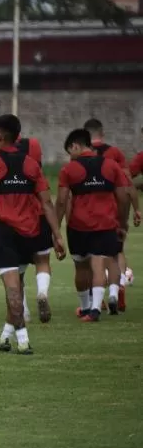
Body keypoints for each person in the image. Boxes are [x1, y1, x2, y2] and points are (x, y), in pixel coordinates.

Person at [0, 114, 65, 354]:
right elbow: (46, 203)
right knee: (17, 285)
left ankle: (23, 341)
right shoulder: (31, 164)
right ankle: (5, 337)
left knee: (12, 289)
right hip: (31, 231)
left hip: (3, 231)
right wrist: (58, 235)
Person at [56, 128, 132, 321]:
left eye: (69, 151)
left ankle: (86, 307)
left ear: (75, 146)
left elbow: (62, 201)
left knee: (81, 267)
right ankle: (97, 307)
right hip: (106, 223)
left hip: (78, 226)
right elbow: (123, 197)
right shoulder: (111, 166)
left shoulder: (68, 169)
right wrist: (122, 223)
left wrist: (55, 229)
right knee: (99, 264)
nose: (70, 156)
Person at [84, 118, 140, 311]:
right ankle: (118, 288)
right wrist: (136, 208)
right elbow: (127, 184)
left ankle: (94, 300)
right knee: (116, 251)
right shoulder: (115, 153)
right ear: (103, 133)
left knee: (94, 256)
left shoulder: (80, 155)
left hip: (88, 211)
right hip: (114, 209)